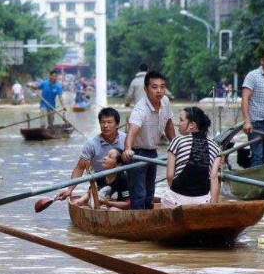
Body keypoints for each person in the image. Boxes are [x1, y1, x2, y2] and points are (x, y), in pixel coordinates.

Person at [123, 71, 176, 210]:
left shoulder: (165, 101)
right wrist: (128, 149)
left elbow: (169, 123)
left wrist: (176, 143)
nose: (159, 91)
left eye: (162, 87)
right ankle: (138, 223)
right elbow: (132, 130)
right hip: (137, 154)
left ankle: (148, 221)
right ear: (145, 89)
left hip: (153, 153)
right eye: (154, 87)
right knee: (139, 194)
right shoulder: (140, 109)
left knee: (150, 193)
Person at [56, 108, 126, 201]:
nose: (105, 126)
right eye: (102, 122)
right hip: (99, 185)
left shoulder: (126, 139)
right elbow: (80, 168)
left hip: (123, 183)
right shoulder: (92, 143)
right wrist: (69, 190)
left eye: (109, 122)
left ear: (117, 125)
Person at [161, 107, 222, 208]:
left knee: (166, 196)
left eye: (181, 120)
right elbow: (213, 178)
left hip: (176, 201)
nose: (178, 124)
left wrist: (179, 193)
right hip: (202, 202)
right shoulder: (216, 148)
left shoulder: (177, 141)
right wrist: (212, 208)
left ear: (192, 125)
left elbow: (170, 176)